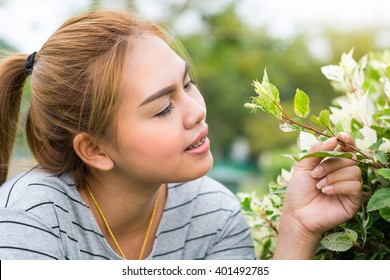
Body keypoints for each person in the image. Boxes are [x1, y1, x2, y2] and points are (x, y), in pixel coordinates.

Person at [0, 9, 362, 260]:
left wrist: (297, 230)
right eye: (162, 109)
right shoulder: (30, 221)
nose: (196, 111)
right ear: (94, 149)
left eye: (187, 84)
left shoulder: (213, 214)